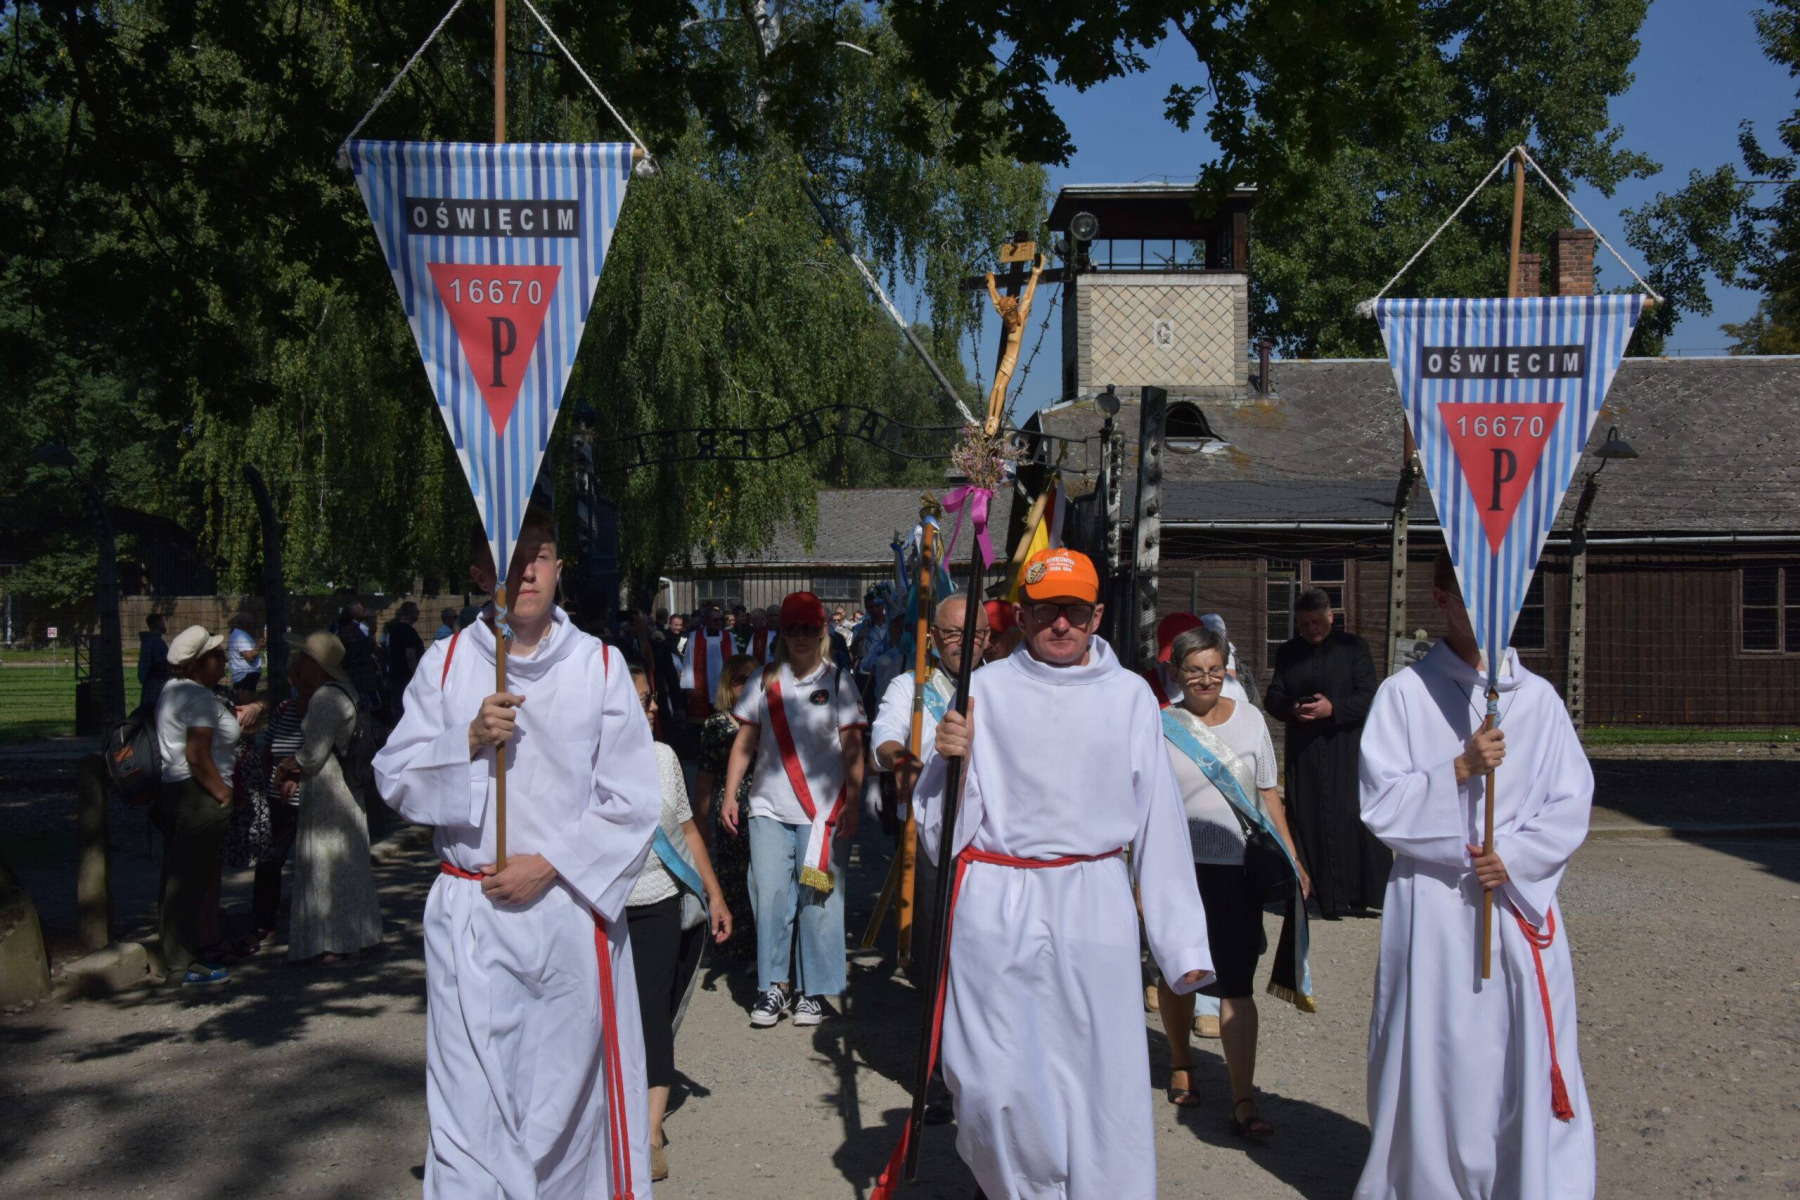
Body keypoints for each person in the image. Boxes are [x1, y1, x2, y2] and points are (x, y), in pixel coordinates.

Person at [876, 547, 1213, 1200]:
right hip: (996, 905)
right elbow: (945, 835)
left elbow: (1159, 824)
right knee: (989, 1081)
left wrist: (1181, 946)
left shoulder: (1128, 700)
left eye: (1075, 611)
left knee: (1096, 1079)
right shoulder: (987, 692)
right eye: (1045, 611)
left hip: (1093, 905)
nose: (1061, 625)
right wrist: (952, 765)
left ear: (1098, 614)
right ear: (1022, 616)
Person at [372, 507, 662, 1197]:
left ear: (560, 568)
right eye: (509, 557)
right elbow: (393, 777)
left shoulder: (599, 665)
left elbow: (631, 800)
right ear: (480, 574)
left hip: (564, 916)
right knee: (468, 1108)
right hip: (469, 914)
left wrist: (550, 862)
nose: (525, 570)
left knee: (560, 1110)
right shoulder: (444, 665)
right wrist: (465, 741)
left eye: (540, 555)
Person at [1354, 551, 1595, 1199]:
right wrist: (1456, 770)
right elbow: (1380, 804)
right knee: (1438, 1050)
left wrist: (1512, 856)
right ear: (1440, 596)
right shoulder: (1404, 695)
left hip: (1511, 903)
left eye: (1504, 595)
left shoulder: (1539, 701)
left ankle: (1522, 1177)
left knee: (1517, 1052)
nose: (1488, 611)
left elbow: (1570, 802)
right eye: (1470, 595)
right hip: (1433, 907)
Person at [1155, 625, 1311, 1137]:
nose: (1206, 679)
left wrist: (1291, 856)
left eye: (1215, 671)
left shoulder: (1251, 722)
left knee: (1237, 983)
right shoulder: (1159, 726)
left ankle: (1243, 1098)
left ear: (1228, 670)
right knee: (1181, 972)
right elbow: (1145, 805)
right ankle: (1182, 1062)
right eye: (1195, 670)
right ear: (1177, 673)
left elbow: (1268, 794)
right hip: (1177, 871)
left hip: (1238, 872)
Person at [720, 591, 865, 1028]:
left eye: (809, 628)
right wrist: (730, 794)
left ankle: (814, 992)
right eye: (792, 628)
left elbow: (854, 746)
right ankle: (773, 987)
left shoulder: (839, 681)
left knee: (816, 899)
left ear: (822, 630)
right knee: (770, 896)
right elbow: (744, 742)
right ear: (782, 632)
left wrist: (855, 801)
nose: (801, 636)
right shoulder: (763, 681)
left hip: (822, 818)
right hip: (768, 808)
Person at [623, 663, 733, 1183]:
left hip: (659, 902)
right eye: (641, 701)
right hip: (600, 911)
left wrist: (714, 895)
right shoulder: (580, 762)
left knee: (652, 1014)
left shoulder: (664, 758)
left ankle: (649, 1134)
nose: (651, 709)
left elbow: (687, 830)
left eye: (651, 700)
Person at [1263, 589, 1385, 919]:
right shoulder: (1288, 653)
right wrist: (1291, 707)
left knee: (1349, 815)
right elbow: (1273, 696)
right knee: (1305, 818)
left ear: (1331, 617)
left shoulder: (1354, 648)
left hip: (1345, 749)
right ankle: (1312, 893)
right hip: (1304, 752)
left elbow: (1368, 695)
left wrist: (1333, 708)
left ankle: (1355, 895)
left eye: (1317, 622)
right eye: (1304, 624)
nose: (1311, 629)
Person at [275, 632, 384, 964]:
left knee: (326, 861)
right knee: (346, 861)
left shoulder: (325, 697)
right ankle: (356, 934)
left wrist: (285, 767)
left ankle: (331, 940)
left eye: (305, 659)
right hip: (343, 784)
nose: (299, 663)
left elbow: (313, 754)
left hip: (328, 787)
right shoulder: (345, 690)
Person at [153, 625, 241, 984]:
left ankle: (175, 956)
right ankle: (181, 963)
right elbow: (197, 754)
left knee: (178, 877)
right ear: (198, 663)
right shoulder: (201, 699)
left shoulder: (172, 691)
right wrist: (223, 794)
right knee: (190, 882)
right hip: (199, 795)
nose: (223, 662)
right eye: (217, 656)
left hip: (175, 791)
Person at [694, 653, 760, 961]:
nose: (746, 685)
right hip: (732, 814)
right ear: (727, 685)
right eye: (739, 679)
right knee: (735, 881)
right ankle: (741, 946)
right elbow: (705, 776)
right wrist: (701, 819)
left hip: (767, 809)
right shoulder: (716, 724)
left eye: (752, 678)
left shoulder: (769, 718)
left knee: (765, 881)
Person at [250, 655, 308, 948]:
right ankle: (263, 920)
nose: (297, 678)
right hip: (277, 797)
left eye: (303, 672)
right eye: (293, 673)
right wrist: (262, 781)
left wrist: (296, 774)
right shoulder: (284, 709)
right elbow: (269, 748)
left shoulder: (320, 710)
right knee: (269, 858)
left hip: (310, 798)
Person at [679, 603, 735, 720]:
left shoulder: (728, 637)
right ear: (706, 621)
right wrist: (689, 687)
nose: (719, 623)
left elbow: (735, 661)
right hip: (702, 688)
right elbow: (688, 661)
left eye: (720, 620)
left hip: (723, 685)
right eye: (715, 620)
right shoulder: (695, 637)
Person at [385, 602, 426, 721]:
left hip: (396, 674)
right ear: (408, 613)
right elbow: (410, 656)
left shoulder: (394, 629)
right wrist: (417, 675)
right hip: (406, 676)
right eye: (416, 611)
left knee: (398, 707)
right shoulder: (408, 631)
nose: (418, 614)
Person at [137, 613, 170, 713]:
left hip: (148, 682)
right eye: (162, 622)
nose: (164, 624)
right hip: (157, 683)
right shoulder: (157, 642)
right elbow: (161, 665)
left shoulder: (147, 641)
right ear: (157, 624)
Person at [225, 611, 265, 695]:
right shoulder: (240, 636)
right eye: (251, 621)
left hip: (245, 676)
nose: (253, 623)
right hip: (245, 677)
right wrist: (258, 646)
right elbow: (250, 657)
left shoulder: (240, 634)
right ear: (244, 622)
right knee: (246, 703)